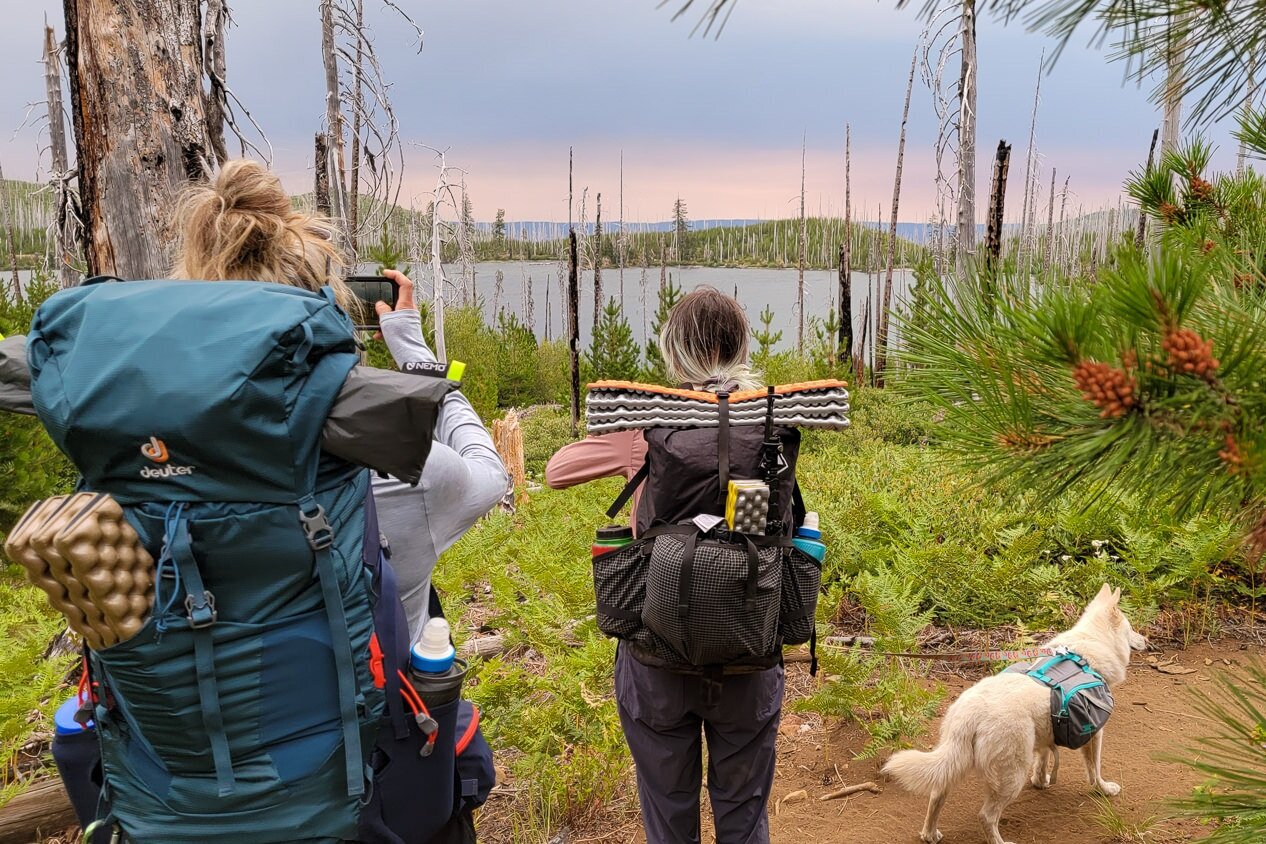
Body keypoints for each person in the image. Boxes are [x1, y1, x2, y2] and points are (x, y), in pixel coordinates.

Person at [171, 160, 510, 641]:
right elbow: (491, 475)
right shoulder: (400, 465)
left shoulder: (151, 455)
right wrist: (414, 353)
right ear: (325, 311)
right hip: (365, 707)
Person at [547, 287, 789, 844]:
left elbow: (558, 471)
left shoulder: (650, 432)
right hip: (750, 654)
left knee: (667, 811)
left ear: (673, 351)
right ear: (741, 346)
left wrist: (624, 443)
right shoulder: (768, 425)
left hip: (658, 656)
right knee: (745, 813)